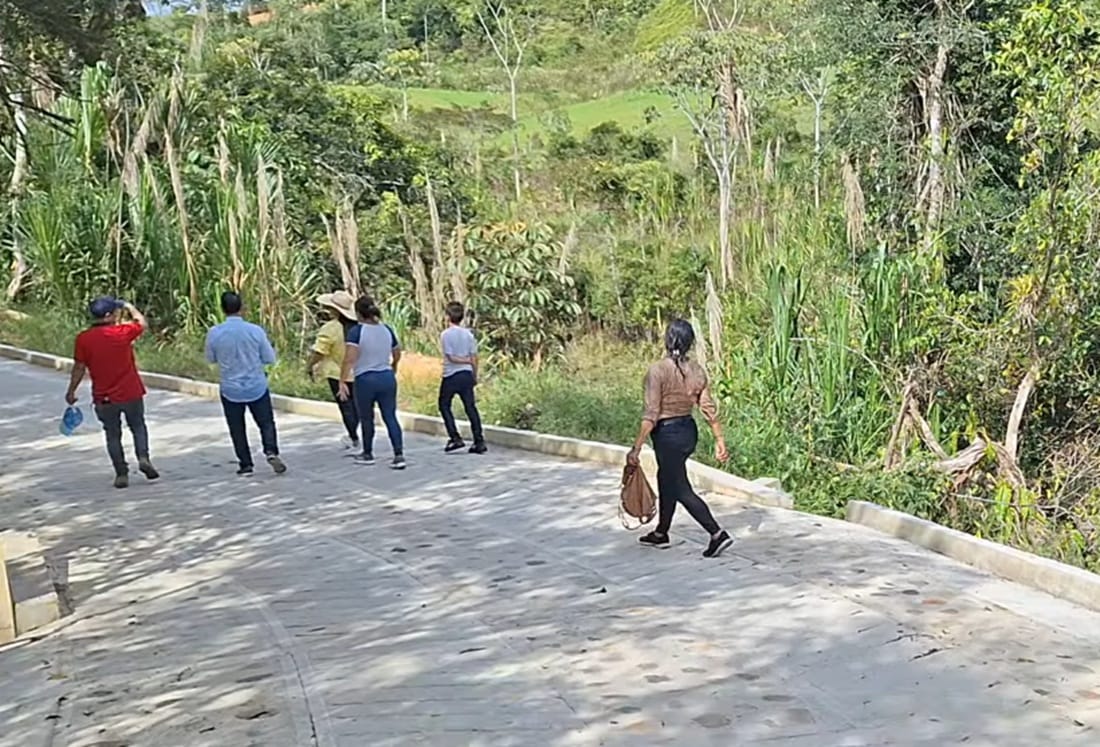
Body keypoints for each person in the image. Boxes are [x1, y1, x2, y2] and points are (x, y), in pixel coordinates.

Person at [626, 319, 732, 558]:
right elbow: (708, 408)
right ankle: (661, 532)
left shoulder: (657, 371)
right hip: (688, 431)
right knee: (667, 478)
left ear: (667, 339)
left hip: (667, 435)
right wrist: (719, 440)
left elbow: (651, 413)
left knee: (680, 487)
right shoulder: (697, 371)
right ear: (689, 343)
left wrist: (636, 448)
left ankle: (716, 533)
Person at [65, 297, 160, 489]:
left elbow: (79, 368)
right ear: (109, 315)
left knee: (112, 434)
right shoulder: (122, 332)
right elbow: (142, 324)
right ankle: (143, 457)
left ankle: (121, 473)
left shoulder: (84, 339)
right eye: (115, 311)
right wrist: (130, 307)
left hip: (104, 397)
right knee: (138, 426)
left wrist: (71, 390)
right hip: (131, 392)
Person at [204, 292, 287, 476]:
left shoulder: (215, 333)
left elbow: (211, 358)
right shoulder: (255, 330)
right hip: (256, 384)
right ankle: (271, 451)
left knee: (237, 427)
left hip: (230, 387)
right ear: (242, 308)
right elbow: (269, 358)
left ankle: (246, 464)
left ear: (222, 309)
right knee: (266, 423)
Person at [338, 296, 405, 470]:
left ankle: (367, 453)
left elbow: (349, 358)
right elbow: (397, 353)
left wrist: (342, 380)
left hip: (365, 378)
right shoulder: (387, 330)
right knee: (390, 416)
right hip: (386, 376)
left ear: (358, 313)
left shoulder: (357, 331)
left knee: (366, 417)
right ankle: (398, 454)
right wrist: (393, 366)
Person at [307, 290, 360, 451]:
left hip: (336, 373)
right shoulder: (360, 327)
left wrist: (309, 366)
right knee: (358, 405)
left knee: (346, 407)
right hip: (358, 371)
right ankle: (360, 434)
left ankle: (353, 437)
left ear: (335, 310)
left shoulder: (330, 329)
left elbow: (320, 351)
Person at [438, 301, 487, 454]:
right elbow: (475, 357)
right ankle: (479, 440)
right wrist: (474, 373)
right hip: (466, 374)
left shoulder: (446, 335)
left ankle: (455, 437)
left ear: (447, 317)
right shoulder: (468, 334)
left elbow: (451, 357)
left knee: (444, 405)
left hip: (451, 374)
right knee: (470, 407)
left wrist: (465, 360)